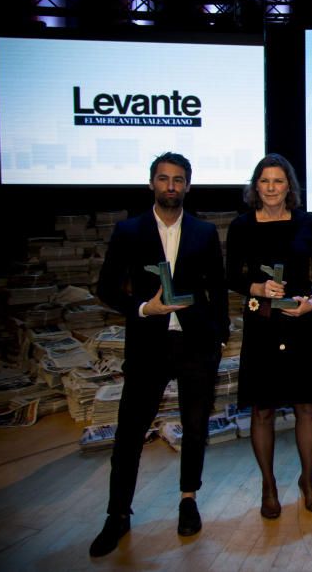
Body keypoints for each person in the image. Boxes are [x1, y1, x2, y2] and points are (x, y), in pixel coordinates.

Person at [90, 152, 229, 557]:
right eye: (164, 179)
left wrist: (218, 337)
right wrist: (142, 308)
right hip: (148, 345)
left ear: (188, 185)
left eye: (179, 179)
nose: (171, 186)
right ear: (151, 183)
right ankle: (117, 514)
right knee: (130, 432)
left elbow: (217, 288)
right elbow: (106, 288)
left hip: (196, 346)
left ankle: (188, 499)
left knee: (195, 428)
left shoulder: (204, 232)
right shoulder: (129, 231)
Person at [226, 154, 312, 519]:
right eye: (265, 181)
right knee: (263, 408)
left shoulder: (309, 223)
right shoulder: (240, 226)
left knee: (306, 405)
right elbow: (229, 275)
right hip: (262, 326)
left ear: (290, 186)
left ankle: (308, 481)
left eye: (278, 181)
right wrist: (255, 286)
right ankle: (268, 486)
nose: (271, 188)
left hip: (300, 323)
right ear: (256, 186)